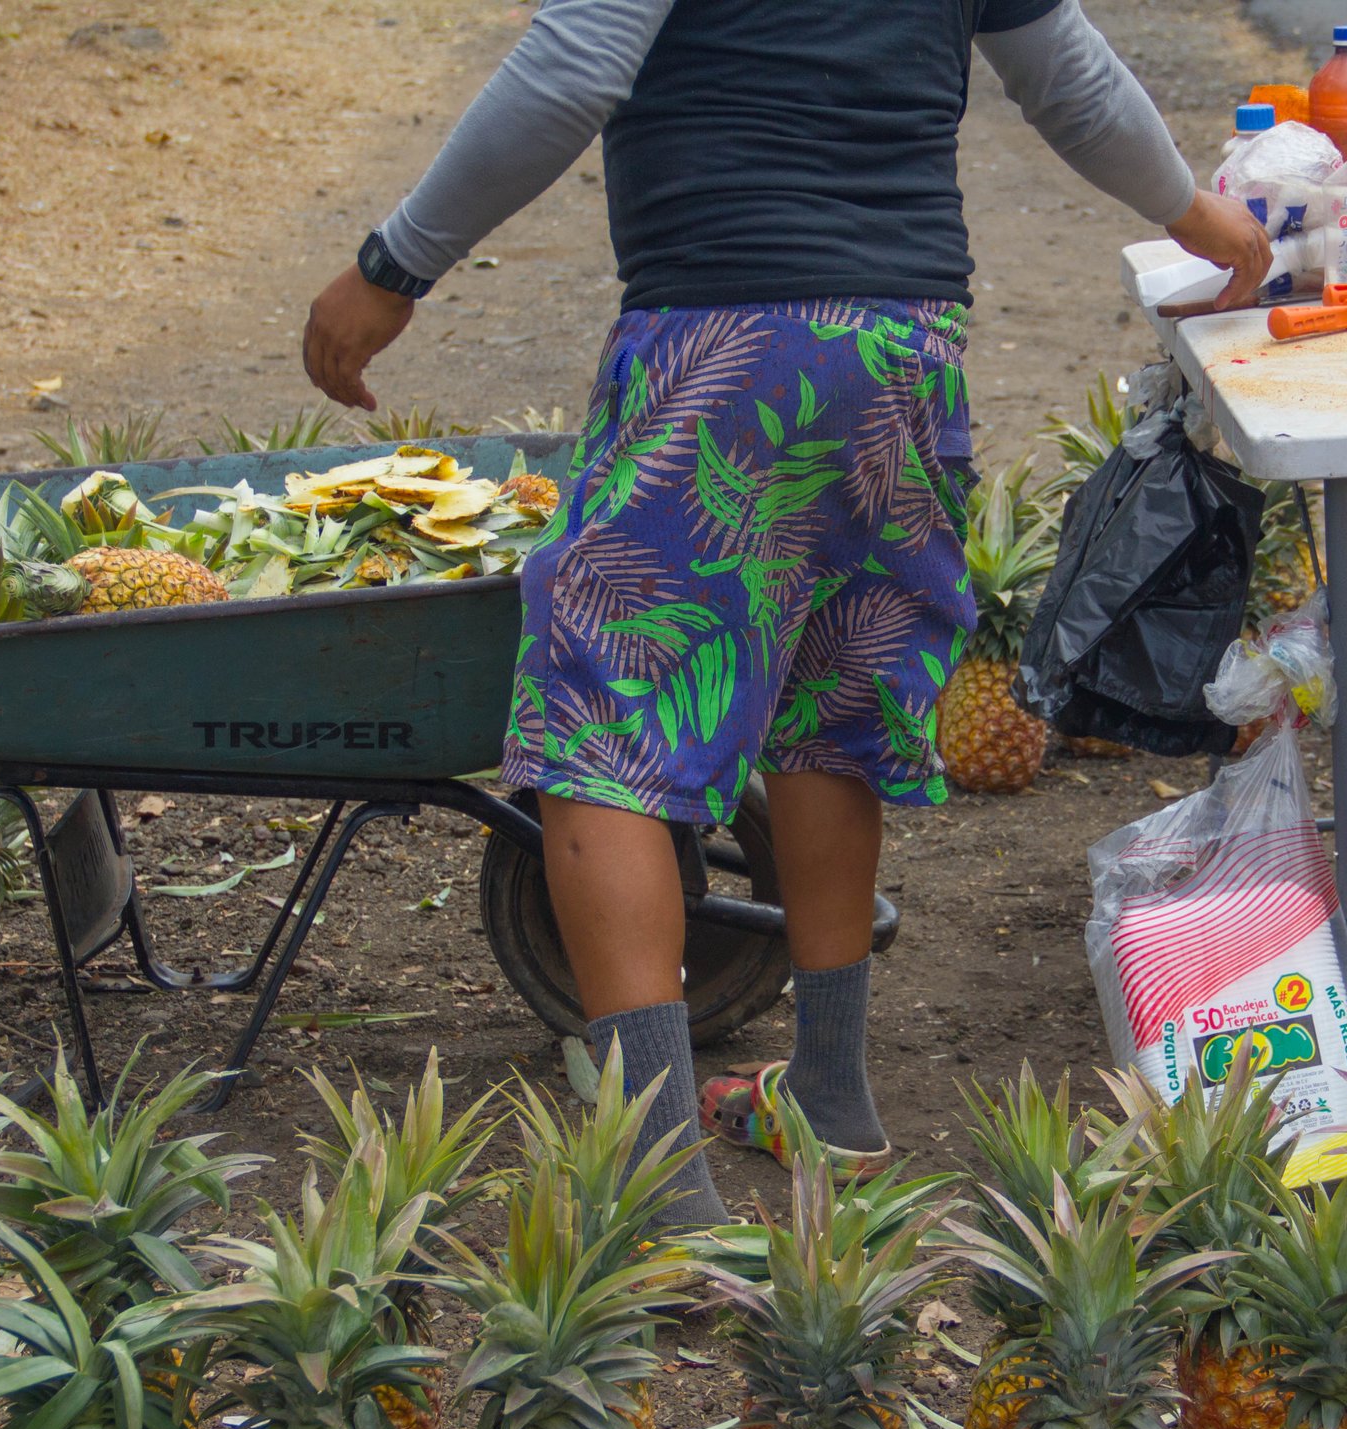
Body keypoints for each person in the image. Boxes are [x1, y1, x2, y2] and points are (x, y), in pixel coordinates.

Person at [302, 0, 1268, 1224]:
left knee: (603, 723)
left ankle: (657, 1182)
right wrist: (1197, 213)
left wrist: (395, 265)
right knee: (831, 702)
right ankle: (828, 1092)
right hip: (902, 346)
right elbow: (1067, 77)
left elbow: (569, 69)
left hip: (720, 338)